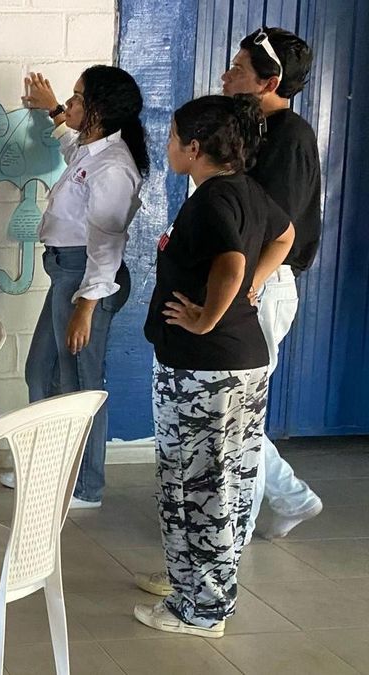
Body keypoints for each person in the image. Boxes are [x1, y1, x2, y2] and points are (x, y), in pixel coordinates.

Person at [135, 94, 295, 638]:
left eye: (174, 137)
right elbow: (284, 236)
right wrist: (254, 283)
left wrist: (206, 318)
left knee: (197, 487)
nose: (169, 146)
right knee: (223, 484)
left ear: (195, 148)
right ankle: (197, 592)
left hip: (205, 369)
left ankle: (201, 610)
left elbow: (229, 260)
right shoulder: (246, 190)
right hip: (241, 365)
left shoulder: (210, 201)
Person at [0, 67, 148, 508]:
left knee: (80, 382)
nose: (70, 103)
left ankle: (86, 486)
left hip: (86, 279)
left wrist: (86, 304)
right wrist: (52, 111)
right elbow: (72, 151)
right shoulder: (92, 150)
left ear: (99, 110)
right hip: (64, 272)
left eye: (77, 98)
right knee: (40, 370)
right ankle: (48, 468)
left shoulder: (115, 167)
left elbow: (107, 243)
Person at [221, 26, 323, 539]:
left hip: (261, 283)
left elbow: (276, 230)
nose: (226, 77)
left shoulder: (291, 137)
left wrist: (244, 287)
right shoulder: (254, 130)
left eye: (238, 70)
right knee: (238, 413)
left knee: (238, 415)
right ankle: (291, 499)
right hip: (244, 280)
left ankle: (232, 535)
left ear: (270, 81)